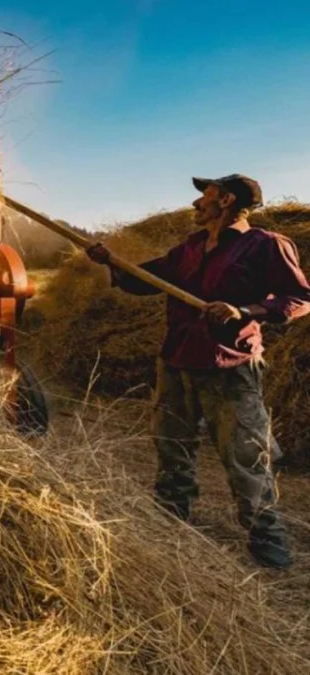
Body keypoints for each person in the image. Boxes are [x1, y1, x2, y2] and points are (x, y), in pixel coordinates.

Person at [87, 174, 310, 569]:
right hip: (176, 361)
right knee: (171, 443)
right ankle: (172, 512)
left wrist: (245, 311)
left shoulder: (266, 245)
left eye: (203, 197)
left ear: (225, 200)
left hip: (229, 364)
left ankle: (266, 533)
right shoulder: (189, 247)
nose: (195, 204)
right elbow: (147, 280)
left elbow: (299, 299)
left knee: (246, 455)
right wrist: (113, 264)